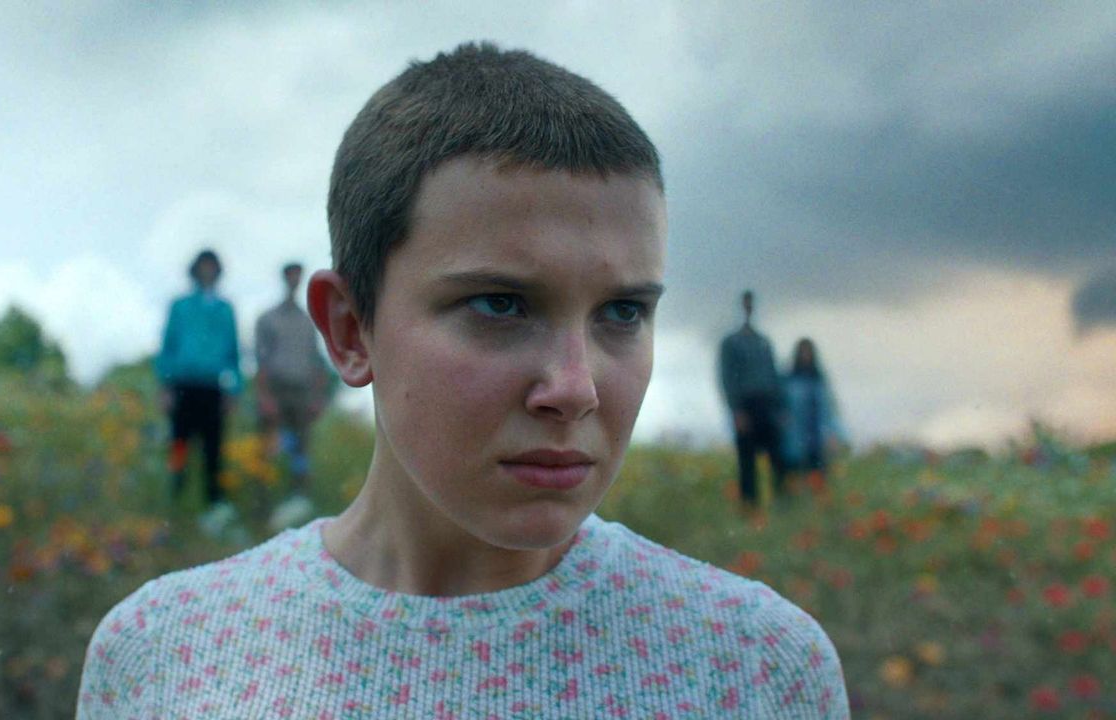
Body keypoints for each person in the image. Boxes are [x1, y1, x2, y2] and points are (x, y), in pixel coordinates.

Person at [80, 43, 849, 718]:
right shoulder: (162, 654)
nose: (575, 388)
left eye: (623, 312)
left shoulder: (758, 668)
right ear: (349, 330)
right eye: (500, 304)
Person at [155, 249, 242, 536]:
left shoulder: (225, 309)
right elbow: (168, 346)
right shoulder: (180, 306)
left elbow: (234, 353)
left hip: (212, 388)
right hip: (183, 386)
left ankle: (214, 503)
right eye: (203, 265)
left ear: (218, 270)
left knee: (213, 449)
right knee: (179, 443)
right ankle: (175, 494)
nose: (207, 270)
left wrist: (234, 389)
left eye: (212, 266)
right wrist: (165, 386)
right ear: (195, 269)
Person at [254, 261, 328, 527]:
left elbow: (317, 361)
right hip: (276, 390)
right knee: (270, 449)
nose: (295, 280)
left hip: (302, 393)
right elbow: (260, 361)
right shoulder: (268, 318)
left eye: (299, 276)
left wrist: (317, 398)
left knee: (300, 449)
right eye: (291, 275)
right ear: (284, 278)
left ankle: (298, 505)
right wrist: (265, 397)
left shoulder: (308, 322)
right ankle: (262, 508)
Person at [719, 290, 787, 511]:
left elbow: (774, 375)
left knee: (777, 456)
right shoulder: (730, 343)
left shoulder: (763, 342)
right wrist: (736, 411)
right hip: (746, 405)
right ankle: (750, 506)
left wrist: (780, 408)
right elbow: (727, 378)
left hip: (767, 405)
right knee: (747, 460)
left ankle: (782, 501)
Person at [782, 338, 846, 495]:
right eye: (803, 353)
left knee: (819, 477)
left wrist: (834, 434)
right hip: (795, 437)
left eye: (808, 353)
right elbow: (782, 408)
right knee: (795, 476)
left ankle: (817, 501)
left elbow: (830, 410)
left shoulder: (819, 379)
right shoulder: (789, 379)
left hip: (817, 437)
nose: (806, 356)